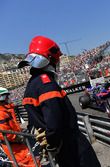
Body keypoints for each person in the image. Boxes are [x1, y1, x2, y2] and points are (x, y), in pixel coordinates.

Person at [18, 35, 101, 167]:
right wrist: (54, 143)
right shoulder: (46, 84)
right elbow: (54, 123)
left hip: (61, 148)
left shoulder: (32, 83)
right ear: (49, 59)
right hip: (71, 145)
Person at [0, 87, 39, 167]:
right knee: (28, 163)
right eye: (6, 96)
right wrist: (19, 137)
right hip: (14, 146)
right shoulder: (1, 112)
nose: (8, 98)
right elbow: (5, 133)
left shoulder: (6, 109)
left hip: (16, 144)